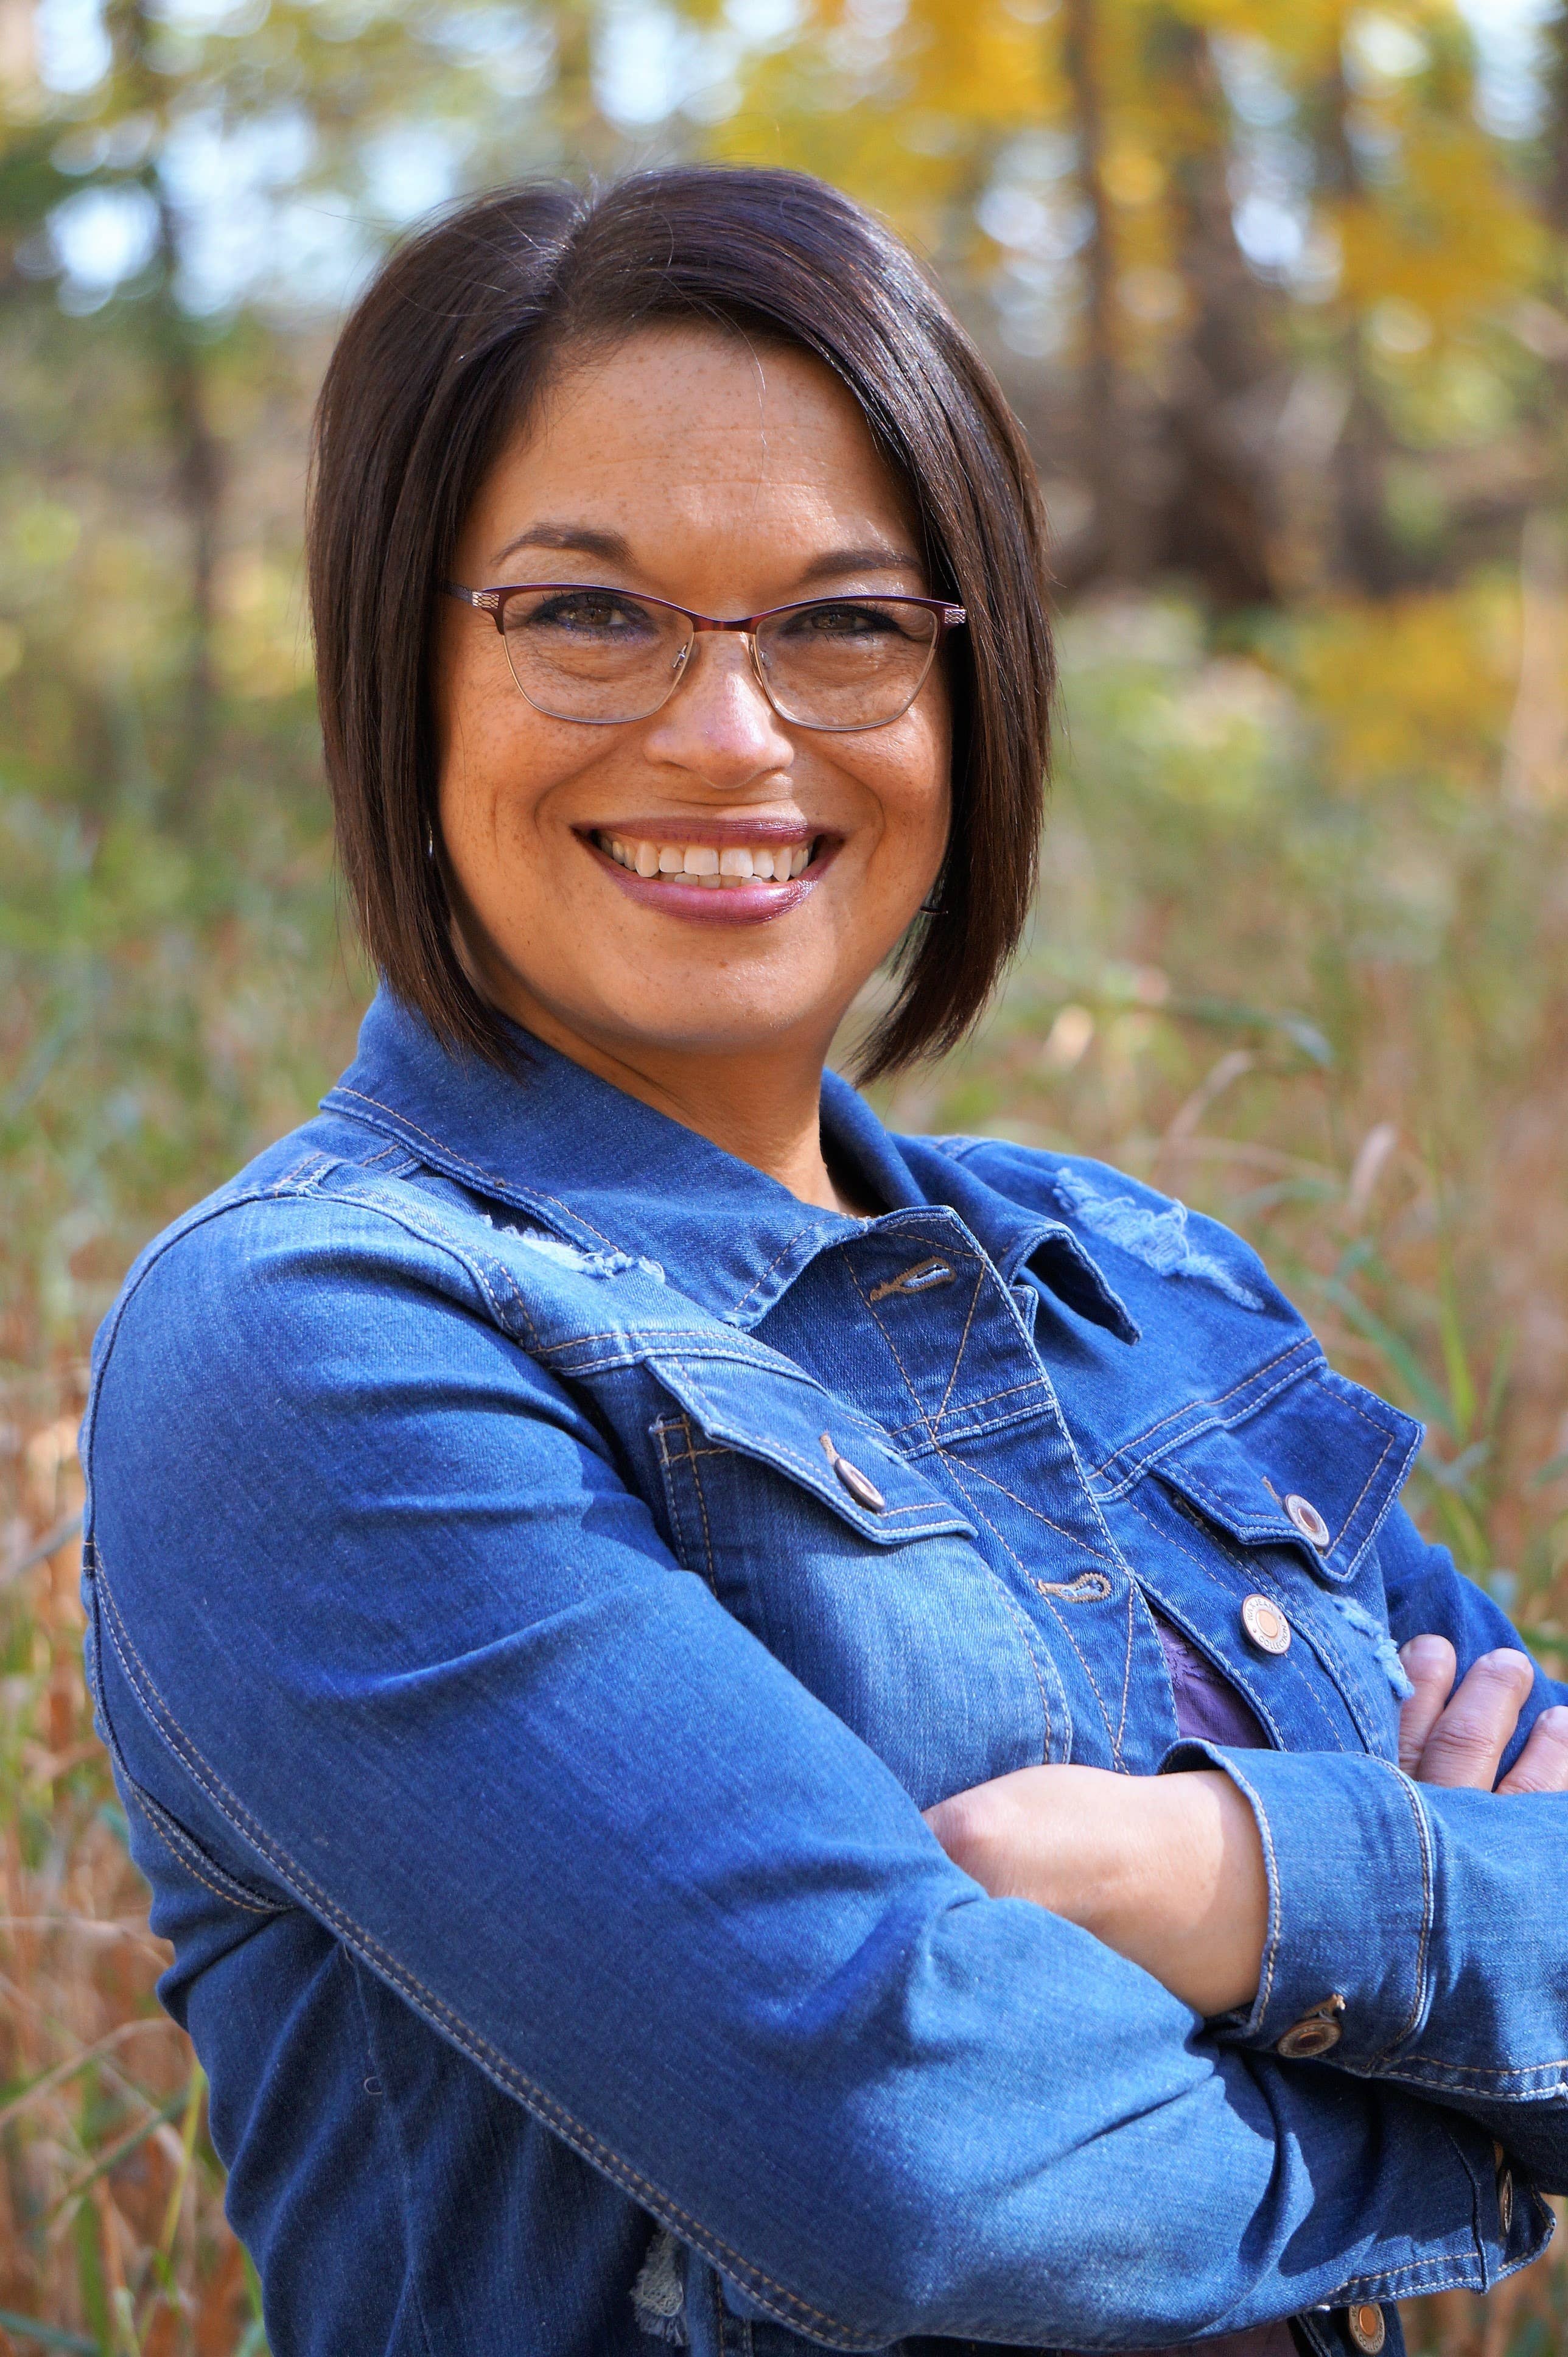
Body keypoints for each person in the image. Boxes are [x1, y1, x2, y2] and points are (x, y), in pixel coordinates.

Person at [81, 166, 1568, 2357]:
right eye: (590, 614)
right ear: (408, 666)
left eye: (845, 625)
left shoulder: (1143, 1282)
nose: (729, 736)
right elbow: (919, 2156)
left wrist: (1230, 1884)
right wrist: (1485, 2116)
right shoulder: (311, 1345)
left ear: (973, 692)